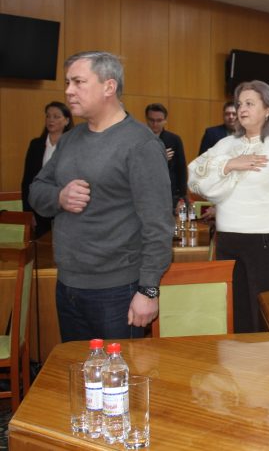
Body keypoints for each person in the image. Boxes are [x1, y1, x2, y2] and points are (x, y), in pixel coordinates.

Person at [29, 51, 173, 341]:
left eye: (78, 82)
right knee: (79, 368)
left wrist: (148, 291)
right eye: (67, 82)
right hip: (68, 284)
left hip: (118, 291)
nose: (69, 91)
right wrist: (60, 197)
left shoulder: (141, 144)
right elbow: (36, 190)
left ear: (109, 86)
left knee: (119, 372)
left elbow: (158, 225)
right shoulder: (70, 139)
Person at [188, 80, 269, 333]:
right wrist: (229, 164)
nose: (241, 109)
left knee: (268, 317)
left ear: (268, 110)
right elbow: (193, 176)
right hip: (229, 241)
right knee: (236, 314)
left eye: (249, 103)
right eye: (239, 104)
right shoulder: (226, 145)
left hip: (267, 243)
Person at [21, 101, 73, 238]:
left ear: (67, 121)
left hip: (65, 210)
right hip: (39, 208)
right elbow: (27, 180)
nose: (51, 120)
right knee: (41, 247)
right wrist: (28, 212)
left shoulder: (74, 145)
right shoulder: (36, 145)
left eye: (56, 116)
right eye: (48, 116)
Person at [145, 103, 188, 210]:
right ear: (146, 119)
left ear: (165, 121)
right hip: (146, 192)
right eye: (151, 120)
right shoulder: (138, 139)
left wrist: (182, 196)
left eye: (159, 120)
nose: (155, 124)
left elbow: (181, 169)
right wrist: (159, 158)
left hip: (170, 193)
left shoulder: (174, 139)